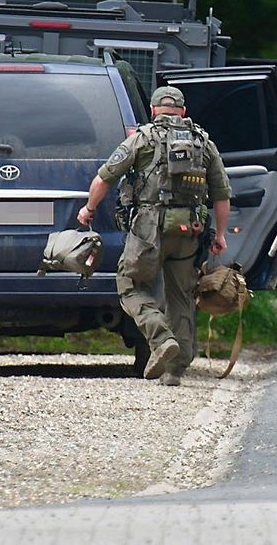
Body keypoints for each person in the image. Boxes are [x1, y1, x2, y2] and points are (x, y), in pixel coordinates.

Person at [78, 85, 231, 385]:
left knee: (130, 284)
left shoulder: (141, 139)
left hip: (149, 227)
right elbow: (222, 194)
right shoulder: (203, 142)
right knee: (181, 296)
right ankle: (176, 369)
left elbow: (103, 178)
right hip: (190, 228)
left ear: (152, 110)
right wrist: (221, 235)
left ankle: (161, 338)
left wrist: (88, 209)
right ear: (183, 112)